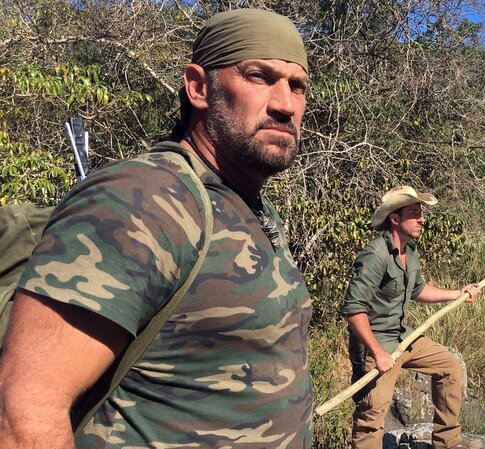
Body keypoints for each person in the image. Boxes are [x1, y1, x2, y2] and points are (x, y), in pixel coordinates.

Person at [0, 9, 313, 449]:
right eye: (259, 76)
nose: (285, 104)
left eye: (296, 85)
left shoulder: (246, 202)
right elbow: (25, 410)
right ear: (199, 87)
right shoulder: (143, 198)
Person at [341, 186, 482, 449]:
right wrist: (378, 353)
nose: (422, 219)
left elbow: (418, 290)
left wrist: (457, 294)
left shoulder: (410, 251)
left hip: (403, 337)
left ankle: (447, 442)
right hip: (376, 344)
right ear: (394, 218)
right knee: (372, 412)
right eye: (414, 213)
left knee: (449, 366)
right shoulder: (375, 255)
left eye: (421, 213)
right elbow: (353, 310)